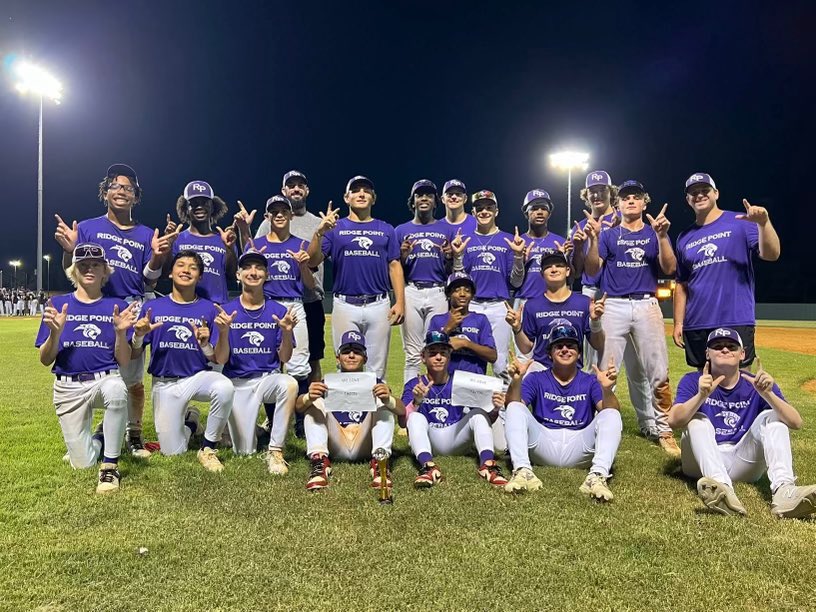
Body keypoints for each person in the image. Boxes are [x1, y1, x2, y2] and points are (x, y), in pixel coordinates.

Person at [54, 163, 181, 458]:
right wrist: (68, 250)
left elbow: (149, 280)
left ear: (136, 196)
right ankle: (92, 433)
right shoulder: (88, 228)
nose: (121, 191)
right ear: (105, 193)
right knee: (95, 373)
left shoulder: (146, 233)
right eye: (115, 185)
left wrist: (158, 257)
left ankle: (133, 435)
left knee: (132, 379)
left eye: (128, 187)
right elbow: (71, 270)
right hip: (96, 308)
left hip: (130, 307)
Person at [669, 328, 816, 518]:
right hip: (700, 463)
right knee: (697, 420)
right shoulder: (694, 381)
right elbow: (674, 420)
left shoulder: (757, 383)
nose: (724, 349)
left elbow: (796, 422)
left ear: (742, 354)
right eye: (717, 346)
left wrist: (768, 395)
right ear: (707, 354)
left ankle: (784, 491)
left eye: (731, 346)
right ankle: (722, 490)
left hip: (743, 461)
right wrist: (700, 396)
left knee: (773, 417)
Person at [35, 243, 139, 493]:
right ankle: (101, 436)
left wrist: (120, 333)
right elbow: (45, 359)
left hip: (104, 379)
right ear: (74, 271)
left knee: (117, 390)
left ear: (105, 271)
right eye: (83, 265)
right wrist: (55, 334)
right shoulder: (58, 304)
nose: (89, 269)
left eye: (95, 265)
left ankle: (110, 466)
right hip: (67, 386)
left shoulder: (117, 306)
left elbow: (124, 361)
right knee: (82, 464)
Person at [130, 250, 234, 472]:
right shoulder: (152, 308)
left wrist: (206, 343)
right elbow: (135, 354)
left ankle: (208, 447)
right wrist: (138, 336)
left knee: (224, 387)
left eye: (193, 267)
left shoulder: (208, 309)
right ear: (170, 273)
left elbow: (216, 358)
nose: (186, 270)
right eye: (181, 265)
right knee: (173, 451)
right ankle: (191, 422)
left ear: (200, 277)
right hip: (165, 383)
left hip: (197, 377)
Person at [504, 322, 623, 501]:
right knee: (514, 407)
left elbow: (610, 411)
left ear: (579, 353)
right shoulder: (536, 378)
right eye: (559, 346)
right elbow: (513, 405)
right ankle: (523, 470)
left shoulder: (590, 381)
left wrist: (606, 389)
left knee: (612, 414)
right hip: (543, 443)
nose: (565, 349)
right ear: (550, 353)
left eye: (571, 346)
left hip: (579, 446)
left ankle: (597, 476)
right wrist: (516, 382)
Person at [673, 173, 781, 369]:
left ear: (716, 193)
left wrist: (764, 223)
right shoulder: (684, 237)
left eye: (704, 190)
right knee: (704, 380)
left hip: (735, 318)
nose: (699, 195)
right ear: (688, 199)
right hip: (697, 322)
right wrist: (678, 323)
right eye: (693, 193)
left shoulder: (740, 221)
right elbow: (682, 284)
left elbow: (772, 254)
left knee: (741, 378)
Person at [307, 175, 405, 379]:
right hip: (345, 304)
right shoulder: (335, 229)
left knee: (377, 371)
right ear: (346, 198)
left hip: (379, 304)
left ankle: (376, 401)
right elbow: (312, 261)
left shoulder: (386, 229)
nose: (361, 194)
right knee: (345, 367)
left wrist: (400, 302)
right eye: (355, 190)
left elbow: (394, 265)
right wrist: (319, 233)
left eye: (366, 191)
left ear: (374, 198)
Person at [220, 249, 298, 474]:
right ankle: (255, 430)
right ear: (238, 275)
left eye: (259, 268)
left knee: (289, 384)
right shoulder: (226, 311)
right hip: (237, 382)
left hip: (267, 379)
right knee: (244, 451)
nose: (253, 272)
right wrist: (223, 332)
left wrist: (286, 333)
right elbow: (221, 358)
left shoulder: (278, 311)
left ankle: (275, 450)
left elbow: (284, 358)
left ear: (266, 275)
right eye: (247, 268)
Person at [297, 330, 405, 491]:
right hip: (336, 442)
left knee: (384, 405)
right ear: (338, 358)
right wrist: (308, 397)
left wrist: (388, 398)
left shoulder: (375, 383)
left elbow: (402, 410)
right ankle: (319, 461)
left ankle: (380, 461)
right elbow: (298, 407)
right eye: (346, 351)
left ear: (365, 358)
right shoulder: (328, 382)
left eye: (357, 352)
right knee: (315, 403)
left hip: (364, 443)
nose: (352, 355)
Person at [402, 331, 507, 488]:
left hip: (456, 437)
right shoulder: (414, 384)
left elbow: (484, 421)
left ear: (449, 356)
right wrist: (416, 401)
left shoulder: (461, 382)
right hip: (429, 439)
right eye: (433, 353)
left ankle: (487, 465)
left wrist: (495, 409)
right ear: (423, 357)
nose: (438, 357)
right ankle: (428, 466)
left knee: (478, 414)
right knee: (415, 417)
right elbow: (403, 422)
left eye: (443, 353)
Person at [450, 189, 525, 381]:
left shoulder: (507, 240)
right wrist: (457, 256)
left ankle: (504, 401)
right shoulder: (466, 239)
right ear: (473, 212)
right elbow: (460, 278)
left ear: (496, 211)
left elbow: (516, 281)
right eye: (480, 208)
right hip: (472, 306)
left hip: (499, 306)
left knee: (500, 364)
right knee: (471, 361)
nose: (484, 211)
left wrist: (518, 256)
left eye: (489, 208)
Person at [507, 250, 604, 375]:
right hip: (542, 369)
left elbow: (598, 344)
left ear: (567, 271)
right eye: (548, 267)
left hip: (573, 370)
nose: (554, 269)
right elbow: (526, 348)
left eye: (559, 266)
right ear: (542, 274)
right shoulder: (532, 305)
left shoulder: (584, 303)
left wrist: (595, 322)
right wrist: (517, 328)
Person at [395, 179, 452, 384]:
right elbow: (395, 270)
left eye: (429, 195)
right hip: (411, 290)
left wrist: (449, 257)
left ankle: (435, 395)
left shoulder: (447, 229)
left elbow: (452, 270)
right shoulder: (400, 230)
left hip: (438, 291)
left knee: (436, 348)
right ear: (413, 201)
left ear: (436, 201)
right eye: (419, 195)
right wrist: (402, 256)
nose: (424, 198)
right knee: (412, 353)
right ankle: (410, 398)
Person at [166, 180, 237, 304]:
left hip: (217, 307)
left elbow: (231, 275)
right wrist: (168, 247)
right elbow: (166, 274)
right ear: (186, 208)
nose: (199, 207)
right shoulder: (177, 239)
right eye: (194, 203)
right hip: (185, 306)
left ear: (213, 207)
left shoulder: (224, 240)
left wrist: (230, 249)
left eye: (204, 203)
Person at [427, 272, 497, 376]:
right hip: (446, 379)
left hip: (473, 379)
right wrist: (447, 329)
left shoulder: (480, 319)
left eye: (467, 290)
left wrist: (466, 344)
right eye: (457, 290)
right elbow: (429, 353)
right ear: (449, 293)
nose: (462, 294)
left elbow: (492, 356)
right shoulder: (437, 320)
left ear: (472, 295)